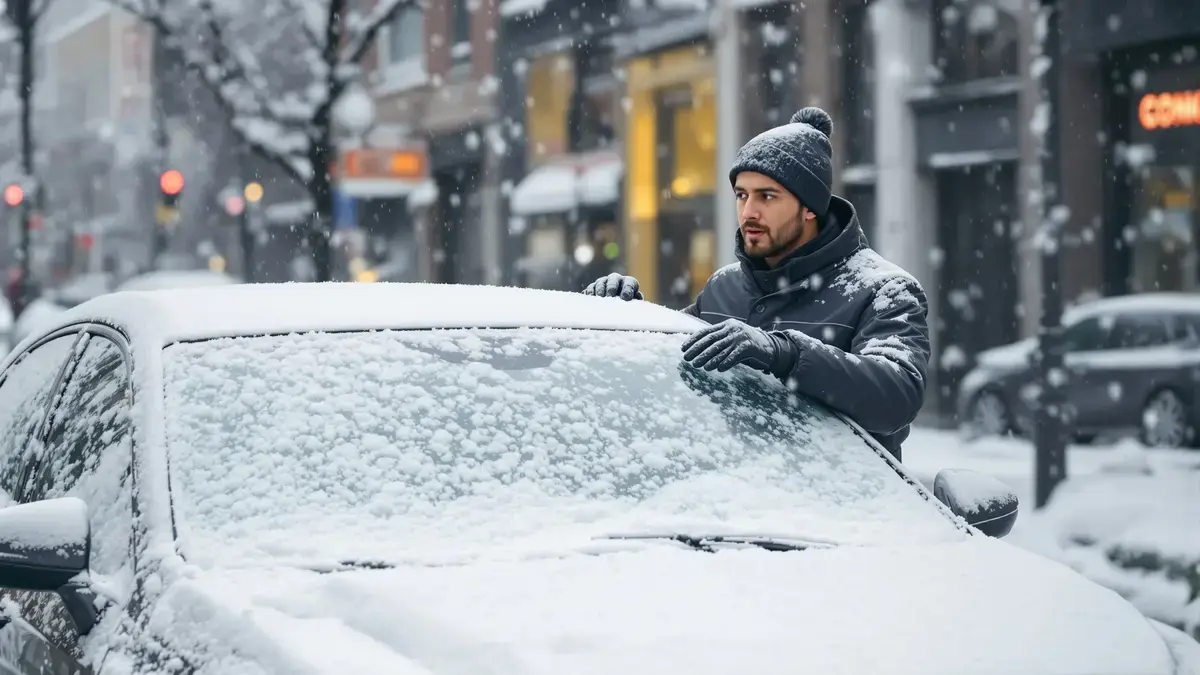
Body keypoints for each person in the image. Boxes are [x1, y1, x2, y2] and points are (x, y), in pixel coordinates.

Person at [582, 107, 930, 460]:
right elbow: (669, 366)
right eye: (741, 195)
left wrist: (784, 353)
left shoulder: (884, 289)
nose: (749, 212)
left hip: (843, 508)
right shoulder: (724, 287)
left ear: (810, 208)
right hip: (733, 502)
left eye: (767, 196)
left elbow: (896, 397)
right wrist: (628, 316)